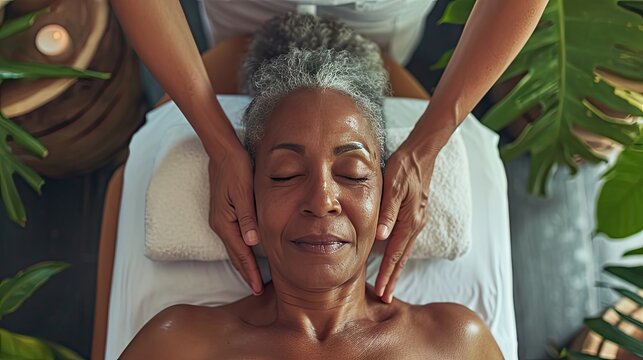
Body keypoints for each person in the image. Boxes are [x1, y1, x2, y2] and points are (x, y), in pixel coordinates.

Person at [119, 14, 504, 359]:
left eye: (352, 173)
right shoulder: (179, 345)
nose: (322, 201)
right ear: (247, 193)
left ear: (390, 192)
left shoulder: (455, 343)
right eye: (285, 173)